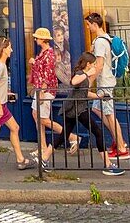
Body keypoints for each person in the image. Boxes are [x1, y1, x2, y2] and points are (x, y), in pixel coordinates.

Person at [0, 37, 35, 175]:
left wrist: (4, 95)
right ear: (3, 49)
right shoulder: (0, 66)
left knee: (15, 128)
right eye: (9, 47)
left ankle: (20, 159)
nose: (11, 50)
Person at [62, 52, 124, 176]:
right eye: (94, 64)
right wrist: (87, 74)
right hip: (79, 109)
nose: (95, 66)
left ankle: (44, 159)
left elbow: (83, 93)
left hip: (74, 109)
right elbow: (73, 82)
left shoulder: (84, 75)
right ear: (88, 64)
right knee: (98, 132)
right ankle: (108, 165)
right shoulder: (81, 73)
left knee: (62, 136)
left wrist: (98, 96)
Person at [85, 12, 129, 159]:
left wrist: (89, 82)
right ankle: (119, 140)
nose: (88, 27)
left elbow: (99, 65)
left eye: (88, 24)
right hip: (106, 82)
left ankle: (121, 148)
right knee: (97, 109)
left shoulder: (99, 42)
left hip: (105, 83)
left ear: (94, 24)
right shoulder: (106, 39)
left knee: (110, 115)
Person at [29, 27, 76, 167]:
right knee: (36, 115)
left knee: (43, 119)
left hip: (45, 90)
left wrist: (43, 90)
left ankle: (72, 137)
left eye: (37, 37)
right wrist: (34, 64)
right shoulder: (43, 53)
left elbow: (48, 74)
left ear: (43, 39)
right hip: (40, 89)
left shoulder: (49, 54)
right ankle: (43, 146)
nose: (36, 39)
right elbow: (40, 71)